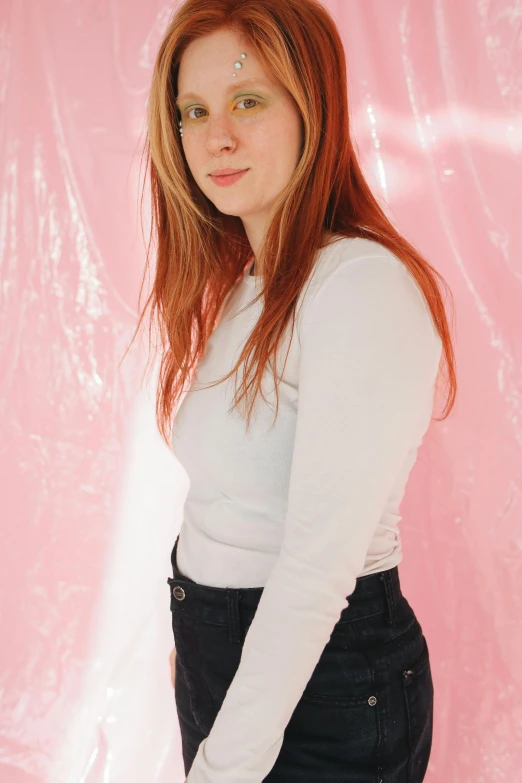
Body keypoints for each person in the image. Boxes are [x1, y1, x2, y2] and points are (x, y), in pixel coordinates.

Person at [127, 1, 457, 780]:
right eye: (194, 111)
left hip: (328, 684)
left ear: (314, 106)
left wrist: (224, 756)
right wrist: (196, 654)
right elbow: (229, 503)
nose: (218, 138)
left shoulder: (359, 288)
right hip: (237, 671)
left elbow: (315, 565)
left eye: (248, 100)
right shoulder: (247, 285)